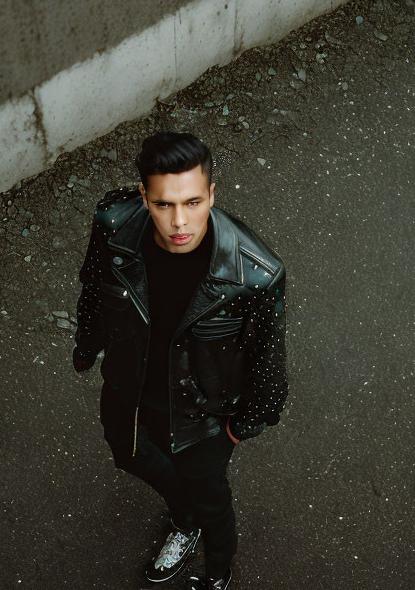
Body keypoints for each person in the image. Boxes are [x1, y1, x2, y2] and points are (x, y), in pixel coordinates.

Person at [73, 131, 288, 589]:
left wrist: (235, 429)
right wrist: (87, 345)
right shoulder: (114, 225)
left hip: (202, 419)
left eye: (192, 202)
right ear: (143, 197)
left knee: (211, 498)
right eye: (163, 204)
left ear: (212, 194)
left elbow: (270, 370)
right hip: (130, 389)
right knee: (127, 453)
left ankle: (217, 572)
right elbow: (93, 286)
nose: (179, 222)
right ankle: (183, 518)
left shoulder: (256, 274)